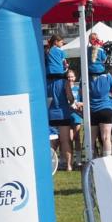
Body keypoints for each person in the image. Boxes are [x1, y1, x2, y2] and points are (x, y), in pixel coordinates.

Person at [45, 35, 74, 170]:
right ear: (57, 42)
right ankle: (68, 165)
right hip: (63, 113)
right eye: (62, 41)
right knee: (65, 140)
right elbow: (69, 96)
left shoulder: (45, 83)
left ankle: (51, 166)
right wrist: (73, 101)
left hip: (50, 113)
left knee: (51, 141)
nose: (63, 43)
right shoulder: (64, 81)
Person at [89, 67, 112, 157]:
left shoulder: (86, 76)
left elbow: (82, 93)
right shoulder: (108, 77)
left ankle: (90, 160)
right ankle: (107, 159)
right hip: (106, 108)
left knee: (91, 139)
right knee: (106, 137)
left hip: (92, 109)